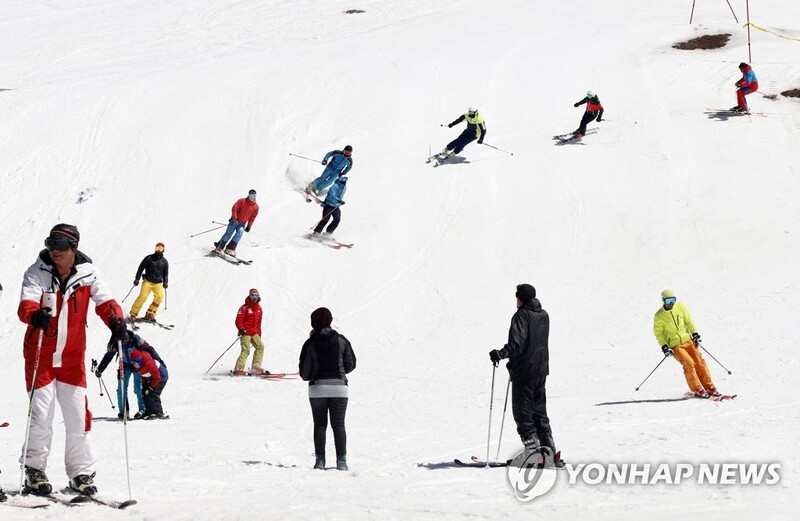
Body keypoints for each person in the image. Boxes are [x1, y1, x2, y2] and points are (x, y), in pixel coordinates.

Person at [17, 223, 127, 496]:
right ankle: (34, 470)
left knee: (79, 417)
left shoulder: (88, 274)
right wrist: (34, 315)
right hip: (41, 354)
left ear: (73, 247)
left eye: (61, 244)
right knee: (41, 415)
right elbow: (26, 304)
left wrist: (116, 320)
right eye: (50, 243)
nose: (54, 249)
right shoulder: (36, 272)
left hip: (72, 357)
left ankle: (81, 473)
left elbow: (105, 301)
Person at [489, 284, 557, 464]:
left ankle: (533, 452)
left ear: (521, 298)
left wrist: (501, 353)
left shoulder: (521, 316)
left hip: (525, 371)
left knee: (522, 412)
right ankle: (549, 450)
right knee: (539, 411)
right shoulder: (543, 315)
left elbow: (517, 343)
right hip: (541, 369)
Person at [298, 307, 356, 471]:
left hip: (317, 388)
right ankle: (341, 461)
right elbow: (351, 364)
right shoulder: (341, 340)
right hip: (339, 388)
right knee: (339, 425)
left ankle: (320, 461)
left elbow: (304, 372)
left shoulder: (310, 343)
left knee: (320, 425)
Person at [653, 289, 719, 397]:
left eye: (673, 300)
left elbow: (688, 321)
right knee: (689, 363)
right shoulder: (659, 316)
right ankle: (697, 388)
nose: (671, 303)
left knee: (699, 361)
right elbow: (659, 333)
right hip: (675, 345)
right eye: (668, 300)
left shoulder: (680, 307)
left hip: (688, 340)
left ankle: (709, 386)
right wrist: (664, 347)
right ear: (663, 300)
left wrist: (695, 334)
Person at [95, 329, 166, 419]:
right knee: (121, 389)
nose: (123, 343)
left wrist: (159, 361)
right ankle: (124, 411)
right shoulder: (116, 341)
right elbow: (109, 356)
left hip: (138, 366)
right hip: (125, 366)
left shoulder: (136, 339)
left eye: (124, 340)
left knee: (138, 389)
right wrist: (100, 369)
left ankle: (143, 410)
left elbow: (149, 348)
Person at [122, 341, 169, 420]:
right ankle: (149, 411)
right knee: (145, 393)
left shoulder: (149, 363)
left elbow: (157, 377)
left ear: (139, 360)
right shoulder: (139, 366)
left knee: (153, 394)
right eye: (133, 363)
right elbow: (143, 376)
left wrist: (150, 387)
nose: (134, 365)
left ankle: (158, 413)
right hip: (152, 378)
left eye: (135, 363)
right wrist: (145, 387)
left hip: (161, 377)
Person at [129, 242, 169, 322]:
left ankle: (150, 313)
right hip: (148, 281)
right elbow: (140, 268)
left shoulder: (164, 262)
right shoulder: (149, 258)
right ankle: (133, 314)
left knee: (160, 296)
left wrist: (165, 282)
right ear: (155, 248)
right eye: (157, 248)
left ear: (163, 250)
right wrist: (137, 278)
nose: (158, 250)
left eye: (160, 249)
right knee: (143, 297)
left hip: (158, 283)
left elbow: (165, 273)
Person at [233, 288, 268, 376]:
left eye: (256, 295)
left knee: (260, 346)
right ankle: (238, 369)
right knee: (246, 350)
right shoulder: (244, 308)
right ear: (249, 296)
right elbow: (238, 320)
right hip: (245, 332)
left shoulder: (259, 309)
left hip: (255, 332)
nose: (254, 298)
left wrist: (259, 334)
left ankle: (256, 367)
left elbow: (259, 323)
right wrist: (241, 329)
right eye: (252, 296)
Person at [214, 189, 259, 257]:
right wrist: (234, 218)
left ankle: (230, 248)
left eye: (254, 195)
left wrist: (249, 226)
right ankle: (220, 247)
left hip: (242, 223)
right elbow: (234, 208)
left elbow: (253, 217)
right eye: (251, 195)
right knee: (228, 233)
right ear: (248, 195)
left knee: (239, 233)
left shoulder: (256, 207)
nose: (252, 197)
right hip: (234, 221)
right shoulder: (242, 201)